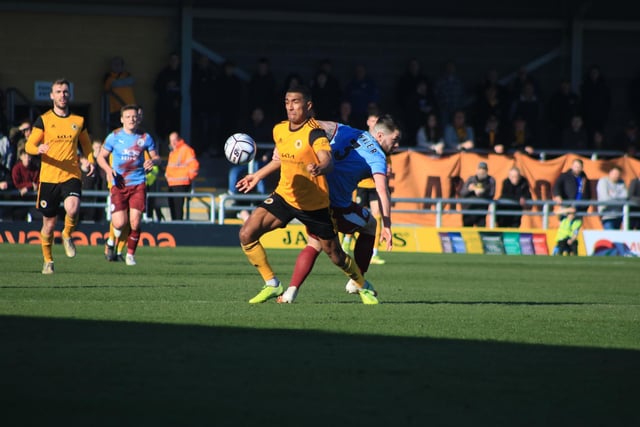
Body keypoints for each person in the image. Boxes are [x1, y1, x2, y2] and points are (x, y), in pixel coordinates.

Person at [235, 84, 378, 305]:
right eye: (287, 102)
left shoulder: (315, 132)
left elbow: (327, 159)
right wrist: (258, 176)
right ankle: (272, 284)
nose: (290, 107)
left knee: (336, 256)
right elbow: (280, 157)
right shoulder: (279, 129)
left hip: (315, 205)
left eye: (295, 102)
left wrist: (320, 167)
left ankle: (362, 285)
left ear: (308, 105)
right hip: (285, 196)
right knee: (247, 233)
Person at [273, 114, 401, 303]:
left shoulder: (348, 131)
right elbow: (382, 190)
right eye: (395, 140)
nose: (397, 145)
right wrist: (388, 226)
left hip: (315, 199)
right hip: (337, 207)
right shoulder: (378, 156)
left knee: (313, 244)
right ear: (380, 136)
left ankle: (290, 292)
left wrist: (284, 144)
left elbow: (316, 124)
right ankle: (356, 281)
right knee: (371, 225)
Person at [24, 79, 95, 274]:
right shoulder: (44, 120)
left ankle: (67, 234)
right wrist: (39, 148)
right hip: (48, 178)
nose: (62, 95)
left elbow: (86, 145)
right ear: (52, 96)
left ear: (69, 95)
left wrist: (90, 160)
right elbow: (29, 145)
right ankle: (48, 260)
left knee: (72, 208)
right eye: (58, 92)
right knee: (49, 224)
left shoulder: (78, 121)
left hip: (71, 173)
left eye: (65, 92)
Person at [97, 104, 160, 266]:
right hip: (119, 183)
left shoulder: (145, 137)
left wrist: (152, 161)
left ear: (138, 118)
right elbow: (100, 157)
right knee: (119, 222)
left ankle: (130, 255)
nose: (131, 119)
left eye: (134, 116)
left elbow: (157, 157)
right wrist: (108, 170)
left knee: (135, 222)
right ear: (121, 119)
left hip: (138, 183)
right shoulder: (114, 136)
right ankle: (111, 241)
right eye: (128, 117)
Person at [341, 109, 390, 265]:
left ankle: (374, 252)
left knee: (376, 216)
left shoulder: (382, 143)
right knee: (354, 214)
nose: (374, 123)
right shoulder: (361, 138)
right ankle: (346, 242)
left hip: (374, 186)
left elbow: (385, 162)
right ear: (368, 122)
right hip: (361, 185)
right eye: (372, 120)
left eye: (377, 120)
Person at [165, 131, 199, 221]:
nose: (172, 143)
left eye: (174, 140)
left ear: (179, 139)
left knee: (178, 210)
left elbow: (194, 165)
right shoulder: (173, 152)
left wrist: (189, 178)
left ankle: (177, 226)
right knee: (173, 208)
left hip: (181, 184)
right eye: (171, 140)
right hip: (172, 184)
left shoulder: (185, 150)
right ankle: (174, 225)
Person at [103, 56, 136, 131]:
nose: (117, 66)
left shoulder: (127, 75)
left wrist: (118, 83)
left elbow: (132, 81)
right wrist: (123, 82)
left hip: (130, 108)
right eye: (114, 64)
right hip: (116, 110)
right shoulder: (108, 76)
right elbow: (110, 86)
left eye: (119, 64)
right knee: (117, 130)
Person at [459, 161, 496, 227]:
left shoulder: (490, 180)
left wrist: (483, 192)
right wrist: (470, 189)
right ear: (477, 170)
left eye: (483, 170)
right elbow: (462, 193)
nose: (481, 172)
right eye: (480, 169)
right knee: (467, 232)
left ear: (487, 171)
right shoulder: (471, 179)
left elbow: (491, 194)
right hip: (468, 210)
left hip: (481, 211)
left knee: (480, 233)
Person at [10, 149, 40, 221]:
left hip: (33, 200)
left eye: (29, 157)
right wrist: (30, 185)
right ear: (21, 157)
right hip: (19, 199)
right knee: (18, 217)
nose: (27, 159)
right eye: (25, 156)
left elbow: (38, 183)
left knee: (38, 217)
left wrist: (28, 187)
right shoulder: (16, 168)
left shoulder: (35, 168)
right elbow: (16, 184)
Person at [596, 165, 628, 230]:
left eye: (618, 174)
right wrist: (619, 198)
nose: (616, 176)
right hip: (607, 216)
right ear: (610, 173)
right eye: (615, 173)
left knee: (617, 238)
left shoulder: (621, 183)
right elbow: (605, 198)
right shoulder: (603, 182)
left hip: (619, 215)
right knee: (610, 237)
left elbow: (625, 196)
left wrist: (613, 195)